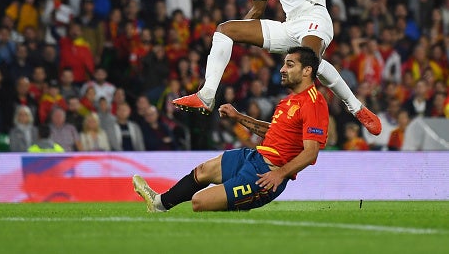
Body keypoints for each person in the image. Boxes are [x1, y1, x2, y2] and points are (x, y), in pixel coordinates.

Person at [172, 0, 381, 136]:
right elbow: (257, 10)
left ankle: (354, 108)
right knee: (225, 30)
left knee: (306, 63)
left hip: (314, 16)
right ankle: (206, 95)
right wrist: (242, 34)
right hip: (290, 25)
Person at [133, 47, 328, 212]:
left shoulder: (314, 103)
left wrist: (280, 174)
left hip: (267, 173)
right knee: (204, 170)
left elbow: (311, 152)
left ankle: (241, 211)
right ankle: (158, 203)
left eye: (290, 65)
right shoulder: (289, 100)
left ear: (306, 71)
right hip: (255, 157)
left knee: (199, 202)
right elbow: (274, 132)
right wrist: (238, 117)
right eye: (284, 64)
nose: (283, 69)